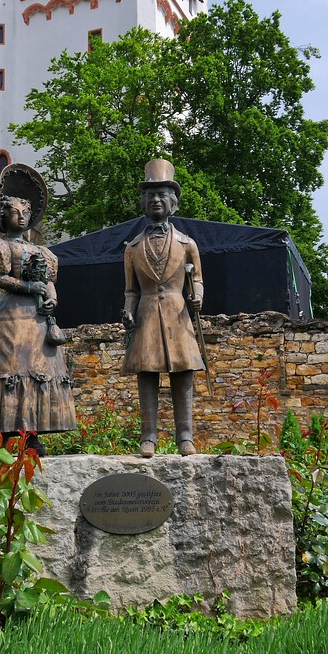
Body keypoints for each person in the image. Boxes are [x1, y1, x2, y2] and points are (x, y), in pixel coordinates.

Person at [0, 164, 76, 453]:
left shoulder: (43, 253)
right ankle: (3, 428)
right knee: (9, 368)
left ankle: (33, 431)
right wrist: (30, 287)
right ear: (4, 216)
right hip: (11, 317)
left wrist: (52, 295)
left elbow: (49, 280)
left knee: (37, 369)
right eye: (17, 213)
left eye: (26, 213)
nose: (23, 217)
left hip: (38, 319)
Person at [121, 159, 205, 457]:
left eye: (162, 195)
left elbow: (197, 280)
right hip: (146, 316)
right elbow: (131, 290)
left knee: (183, 373)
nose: (156, 200)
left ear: (173, 203)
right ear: (143, 203)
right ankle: (149, 436)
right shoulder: (131, 249)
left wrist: (197, 297)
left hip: (178, 314)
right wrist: (128, 310)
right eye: (150, 196)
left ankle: (185, 435)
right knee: (147, 373)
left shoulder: (188, 244)